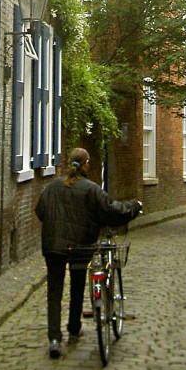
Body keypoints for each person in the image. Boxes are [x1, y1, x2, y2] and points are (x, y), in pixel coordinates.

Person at [35, 147, 142, 358]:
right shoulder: (92, 189)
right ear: (85, 164)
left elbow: (40, 210)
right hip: (80, 246)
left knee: (54, 292)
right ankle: (74, 327)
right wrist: (134, 207)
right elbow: (112, 210)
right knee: (77, 284)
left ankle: (54, 339)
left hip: (53, 247)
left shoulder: (53, 186)